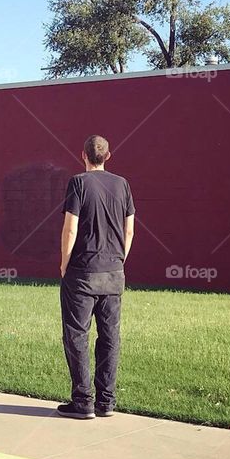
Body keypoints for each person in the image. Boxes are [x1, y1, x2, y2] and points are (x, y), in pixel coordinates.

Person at [57, 134, 135, 419]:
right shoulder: (122, 184)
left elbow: (70, 229)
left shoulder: (78, 183)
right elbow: (129, 231)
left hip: (82, 273)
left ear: (83, 155)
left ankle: (83, 402)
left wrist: (65, 263)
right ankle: (106, 402)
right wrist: (119, 260)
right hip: (114, 273)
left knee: (77, 336)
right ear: (108, 156)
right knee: (110, 336)